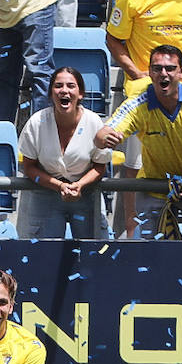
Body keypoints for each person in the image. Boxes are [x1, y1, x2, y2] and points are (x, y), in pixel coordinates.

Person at [97, 44, 182, 240]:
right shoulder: (136, 105)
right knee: (151, 253)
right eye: (157, 68)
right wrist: (104, 137)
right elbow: (106, 131)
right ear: (149, 72)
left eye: (170, 68)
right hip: (155, 186)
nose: (163, 74)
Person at [16, 66, 112, 238]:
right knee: (44, 255)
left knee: (93, 254)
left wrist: (80, 185)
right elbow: (29, 167)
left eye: (70, 86)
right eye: (58, 86)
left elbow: (100, 166)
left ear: (80, 93)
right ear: (51, 93)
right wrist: (58, 185)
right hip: (45, 192)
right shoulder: (36, 123)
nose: (64, 91)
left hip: (86, 193)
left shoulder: (94, 122)